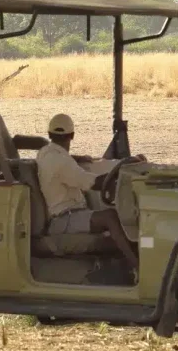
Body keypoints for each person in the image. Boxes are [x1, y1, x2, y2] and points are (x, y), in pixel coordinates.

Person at [36, 113, 141, 268]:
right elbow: (92, 183)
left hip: (69, 214)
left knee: (114, 218)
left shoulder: (45, 153)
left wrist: (77, 158)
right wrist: (120, 172)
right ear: (72, 135)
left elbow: (62, 160)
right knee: (110, 217)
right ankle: (136, 265)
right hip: (63, 219)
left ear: (50, 134)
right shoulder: (61, 162)